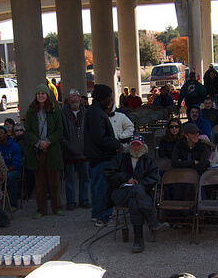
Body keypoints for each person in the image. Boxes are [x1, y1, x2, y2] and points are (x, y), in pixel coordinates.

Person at [104, 135, 169, 253]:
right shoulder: (120, 158)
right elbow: (109, 173)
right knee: (136, 190)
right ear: (129, 146)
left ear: (143, 146)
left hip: (140, 195)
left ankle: (138, 241)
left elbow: (154, 179)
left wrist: (139, 183)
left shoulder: (149, 162)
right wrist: (126, 178)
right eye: (133, 144)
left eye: (138, 144)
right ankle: (152, 222)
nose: (135, 147)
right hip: (121, 192)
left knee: (134, 202)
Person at [24, 84, 64, 218]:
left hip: (52, 150)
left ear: (47, 95)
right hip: (37, 151)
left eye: (43, 93)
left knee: (54, 182)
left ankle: (57, 207)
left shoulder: (54, 110)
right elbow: (28, 131)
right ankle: (41, 209)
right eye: (38, 93)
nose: (40, 96)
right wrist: (38, 142)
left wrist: (48, 141)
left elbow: (59, 130)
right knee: (40, 183)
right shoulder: (31, 111)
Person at [84, 84, 122, 226]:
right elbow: (99, 138)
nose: (111, 98)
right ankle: (102, 217)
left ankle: (97, 214)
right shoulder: (96, 113)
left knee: (96, 186)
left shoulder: (95, 111)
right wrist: (116, 144)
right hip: (101, 157)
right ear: (102, 98)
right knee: (102, 188)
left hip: (97, 156)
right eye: (109, 96)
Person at [60, 88, 90, 211]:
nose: (73, 98)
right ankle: (71, 202)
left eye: (75, 96)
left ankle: (84, 200)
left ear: (79, 98)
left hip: (84, 152)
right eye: (70, 96)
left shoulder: (86, 112)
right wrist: (68, 145)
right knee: (70, 179)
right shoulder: (62, 113)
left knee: (85, 179)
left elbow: (90, 131)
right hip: (69, 152)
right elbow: (60, 133)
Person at [0, 125, 22, 211]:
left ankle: (13, 204)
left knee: (10, 177)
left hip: (14, 170)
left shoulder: (14, 146)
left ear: (6, 134)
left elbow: (17, 164)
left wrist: (7, 170)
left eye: (1, 133)